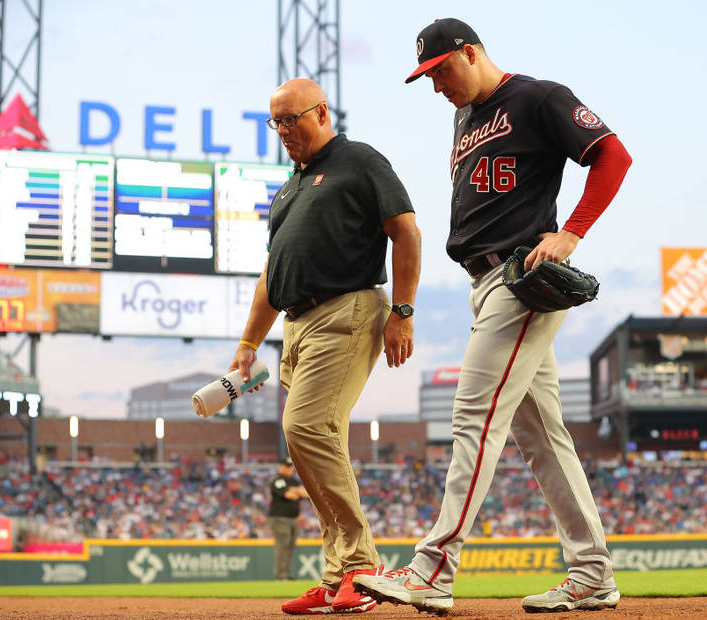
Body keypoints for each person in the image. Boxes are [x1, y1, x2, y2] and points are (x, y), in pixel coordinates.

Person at [354, 18, 632, 615]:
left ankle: (433, 569)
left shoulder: (537, 96)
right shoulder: (466, 117)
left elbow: (613, 156)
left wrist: (572, 233)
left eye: (439, 71)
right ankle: (592, 574)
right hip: (482, 282)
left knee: (472, 418)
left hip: (522, 279)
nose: (435, 87)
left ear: (470, 53)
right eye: (426, 78)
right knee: (541, 437)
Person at [229, 77, 421, 615]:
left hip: (348, 309)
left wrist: (402, 312)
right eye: (276, 122)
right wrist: (249, 342)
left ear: (321, 111)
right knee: (313, 443)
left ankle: (361, 568)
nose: (284, 131)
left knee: (304, 427)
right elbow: (273, 274)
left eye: (291, 119)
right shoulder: (289, 188)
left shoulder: (358, 160)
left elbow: (405, 232)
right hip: (296, 324)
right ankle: (339, 574)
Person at [269, 456, 308, 580]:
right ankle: (280, 575)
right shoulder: (277, 480)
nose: (290, 469)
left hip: (293, 518)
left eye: (291, 467)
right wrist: (296, 491)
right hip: (280, 518)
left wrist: (294, 491)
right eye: (288, 466)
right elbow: (289, 495)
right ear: (281, 467)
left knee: (290, 546)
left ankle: (286, 573)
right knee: (282, 545)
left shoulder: (294, 481)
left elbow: (304, 493)